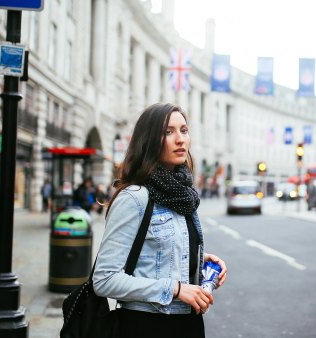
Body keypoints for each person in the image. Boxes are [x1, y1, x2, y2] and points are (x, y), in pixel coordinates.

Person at [93, 103, 227, 338]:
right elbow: (105, 280)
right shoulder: (135, 197)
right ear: (149, 140)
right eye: (168, 132)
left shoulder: (183, 194)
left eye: (184, 130)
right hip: (148, 325)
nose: (180, 139)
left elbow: (156, 250)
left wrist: (199, 259)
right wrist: (174, 290)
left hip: (188, 324)